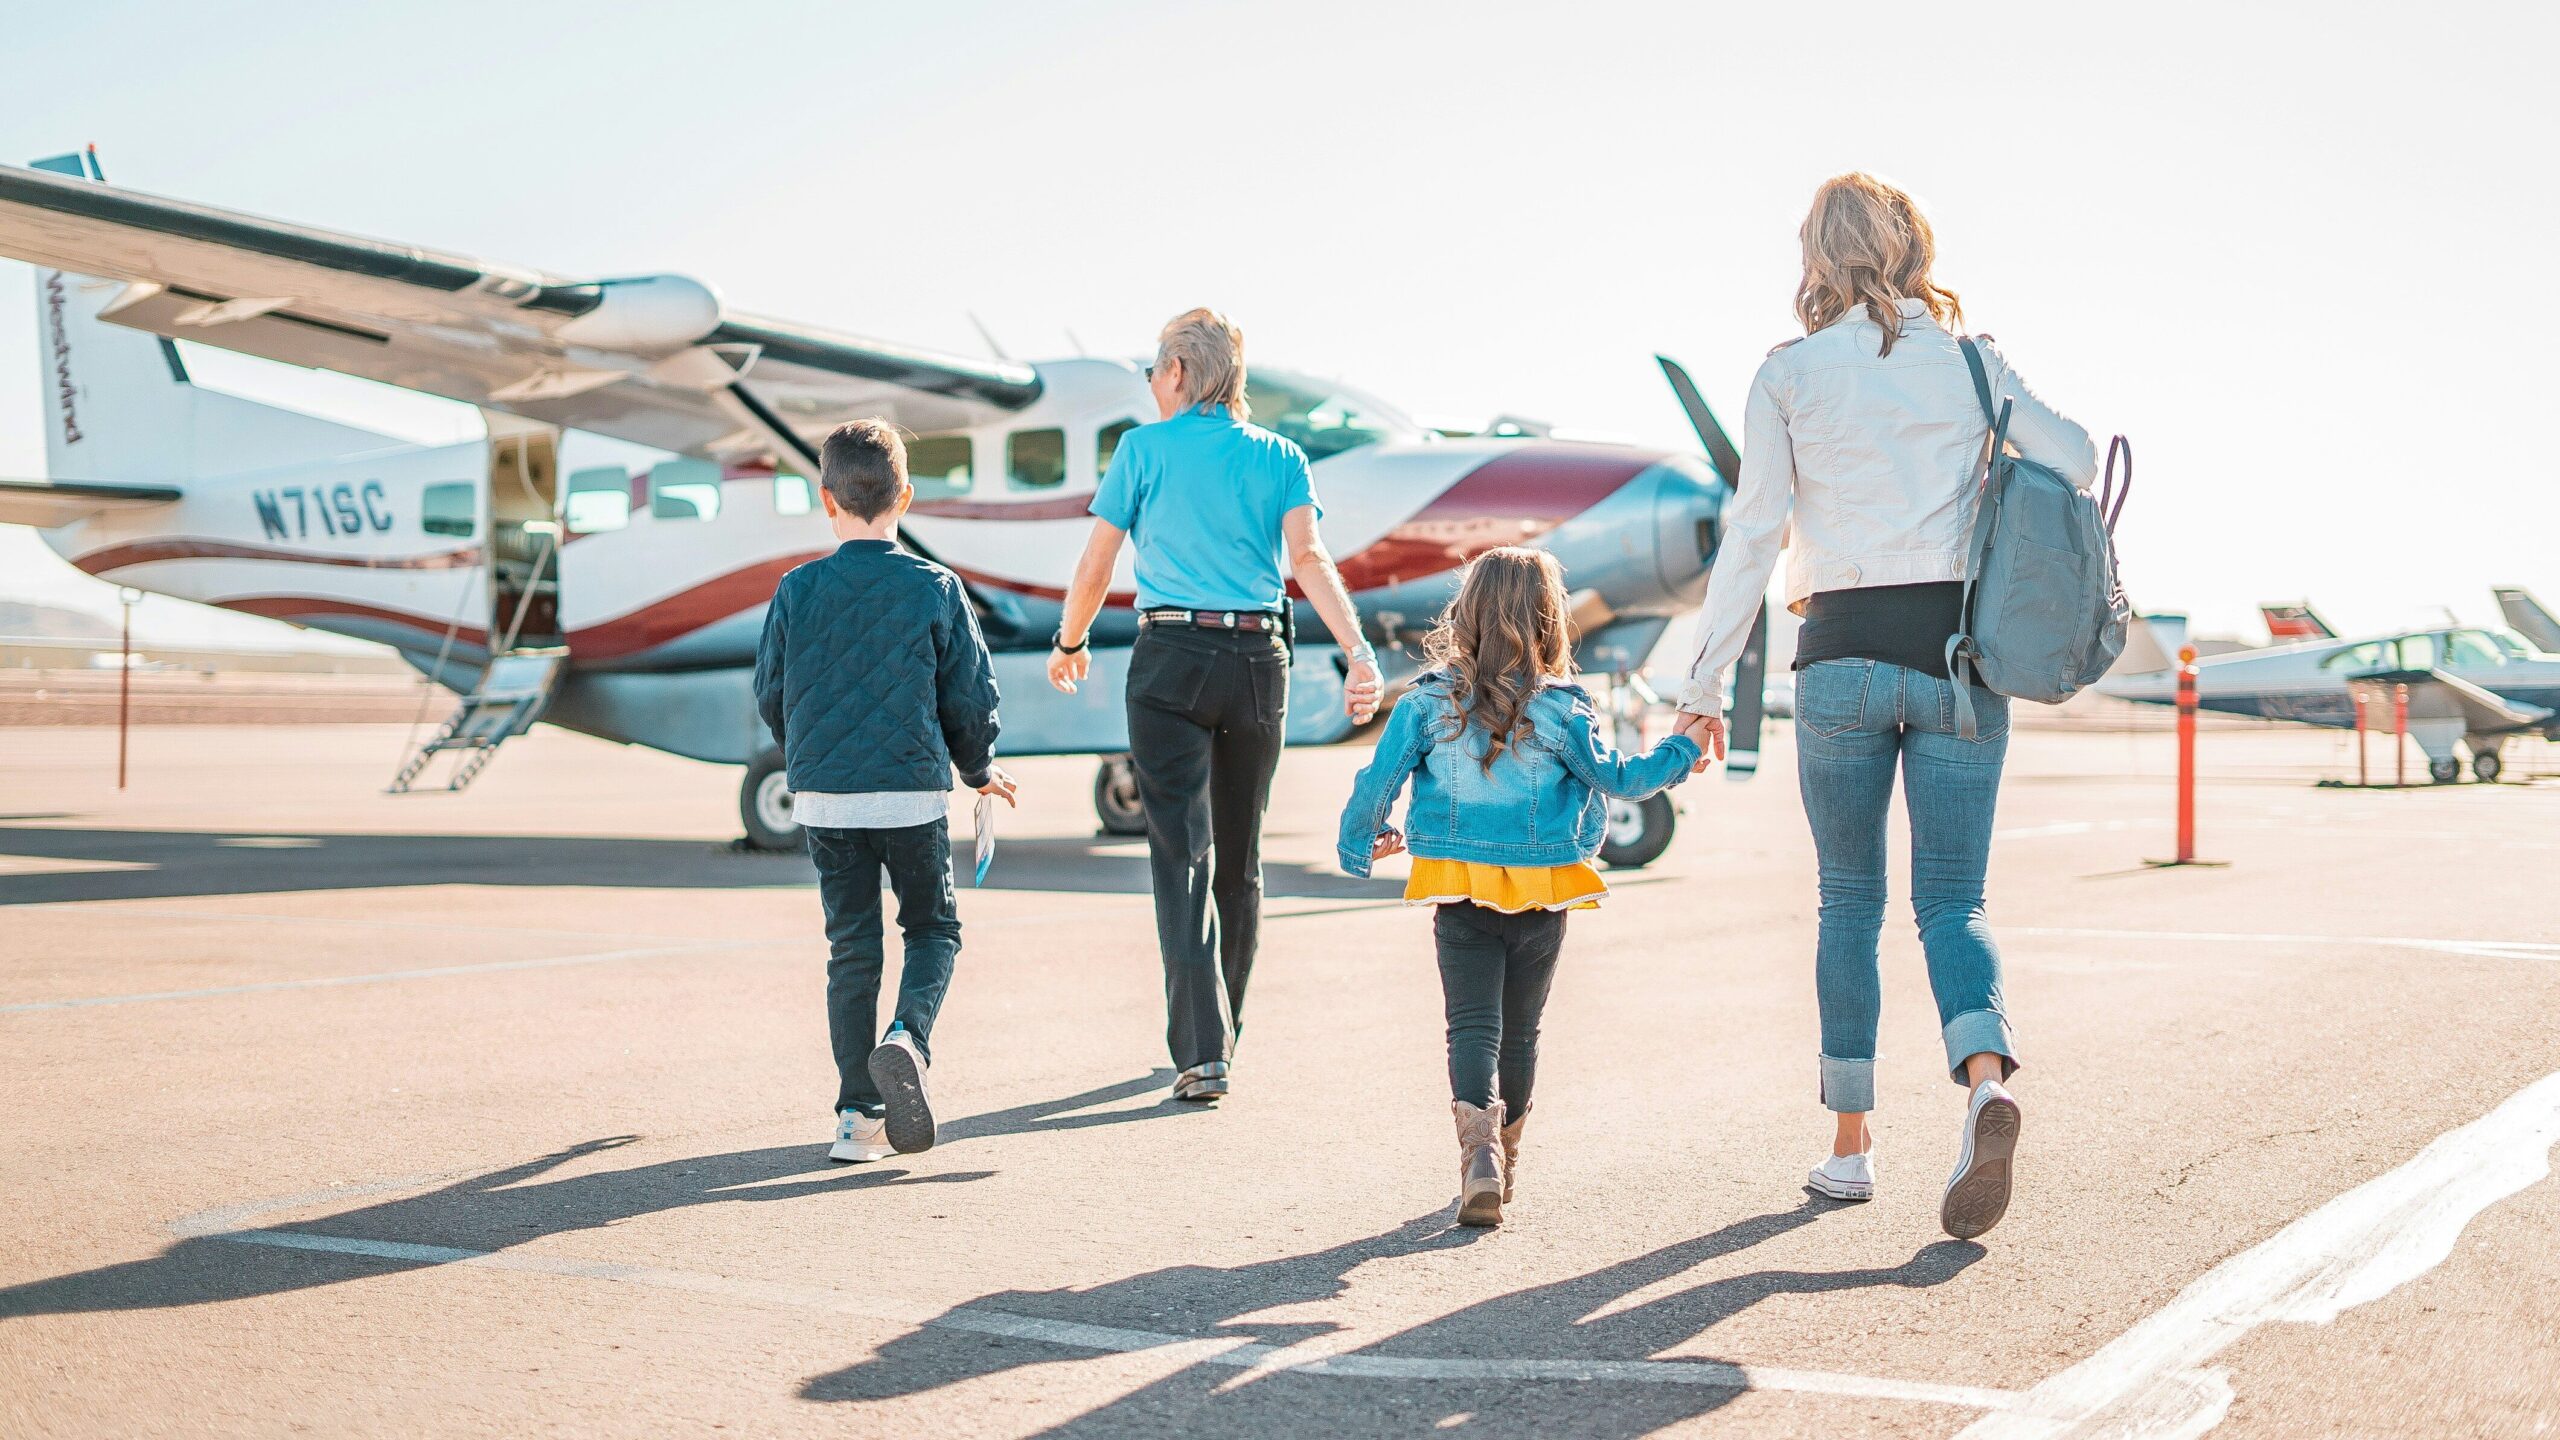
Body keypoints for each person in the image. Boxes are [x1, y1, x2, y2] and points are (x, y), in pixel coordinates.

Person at [1673, 173, 2096, 1239]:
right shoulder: (1970, 360)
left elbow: (1753, 532)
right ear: (1911, 248)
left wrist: (1703, 685)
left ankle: (1849, 1149)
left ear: (1816, 257)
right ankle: (1984, 1082)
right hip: (1958, 660)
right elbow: (2080, 461)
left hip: (1838, 660)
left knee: (1846, 904)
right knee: (1952, 900)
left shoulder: (1787, 375)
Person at [1048, 308, 1383, 1103]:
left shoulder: (1142, 450)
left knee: (1183, 854)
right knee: (1241, 857)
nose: (1151, 388)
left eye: (1153, 375)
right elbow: (1309, 557)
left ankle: (1203, 1049)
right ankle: (1224, 1030)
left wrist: (1071, 641)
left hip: (1170, 661)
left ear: (1178, 374)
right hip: (1259, 660)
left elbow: (1098, 561)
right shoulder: (1282, 456)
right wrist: (1359, 652)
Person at [1338, 548, 1700, 1227]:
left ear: (1465, 613)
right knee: (1522, 1033)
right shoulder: (1563, 707)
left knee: (1471, 1025)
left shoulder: (1424, 702)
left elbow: (1375, 781)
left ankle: (1479, 1158)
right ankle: (1507, 1164)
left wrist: (1365, 842)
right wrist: (1682, 750)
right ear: (1549, 619)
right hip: (1542, 889)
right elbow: (1620, 779)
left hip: (1458, 885)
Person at [754, 419, 1019, 1163]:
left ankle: (856, 1117)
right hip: (909, 794)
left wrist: (810, 759)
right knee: (933, 930)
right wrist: (980, 771)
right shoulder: (934, 585)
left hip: (824, 798)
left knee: (851, 947)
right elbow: (968, 697)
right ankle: (907, 1037)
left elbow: (771, 691)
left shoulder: (795, 590)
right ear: (905, 495)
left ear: (825, 499)